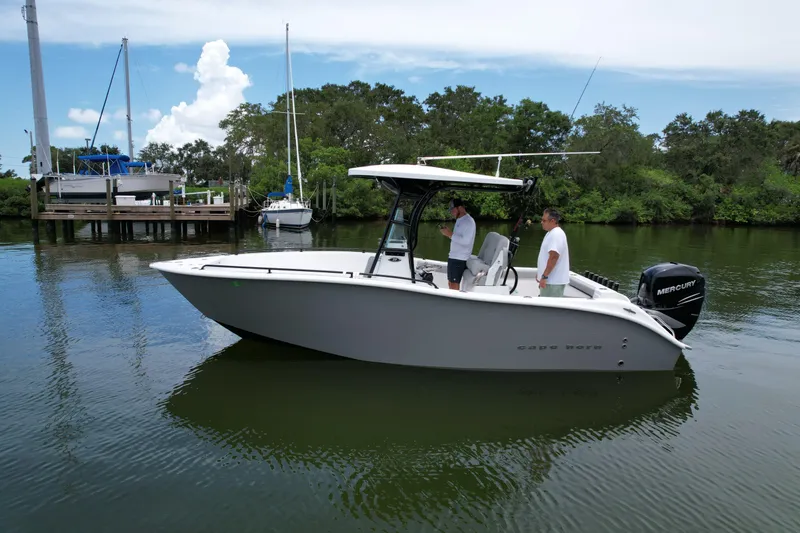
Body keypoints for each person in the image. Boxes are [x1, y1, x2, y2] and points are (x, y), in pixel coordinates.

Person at [439, 198, 476, 290]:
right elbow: (458, 238)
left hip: (460, 258)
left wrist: (450, 234)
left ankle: (454, 303)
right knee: (450, 283)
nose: (451, 212)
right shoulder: (460, 219)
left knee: (454, 284)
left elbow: (466, 242)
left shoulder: (469, 222)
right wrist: (449, 234)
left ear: (460, 208)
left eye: (453, 209)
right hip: (453, 256)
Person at [537, 208, 569, 297]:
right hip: (549, 280)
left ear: (553, 221)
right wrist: (540, 273)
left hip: (553, 281)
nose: (541, 222)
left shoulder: (556, 234)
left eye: (544, 220)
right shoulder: (550, 233)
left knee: (547, 309)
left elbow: (554, 257)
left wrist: (544, 276)